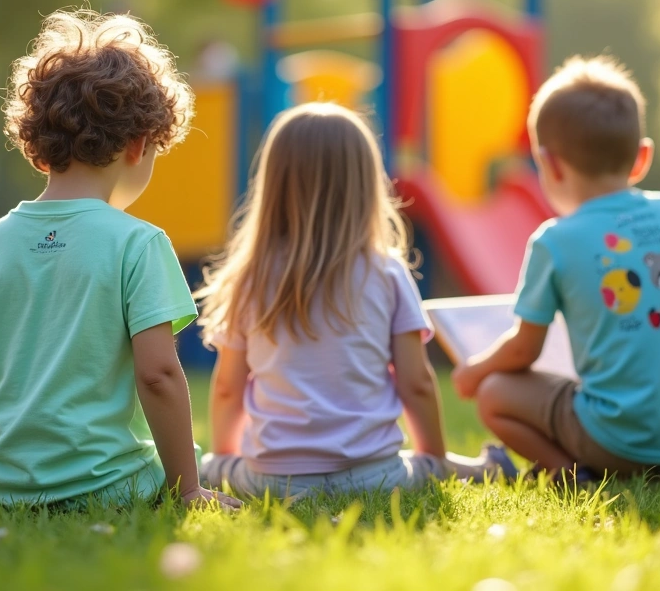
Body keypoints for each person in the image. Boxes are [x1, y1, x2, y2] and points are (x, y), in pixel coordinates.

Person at [0, 9, 240, 509]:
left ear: (37, 151)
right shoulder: (138, 243)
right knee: (184, 454)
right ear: (139, 145)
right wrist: (186, 489)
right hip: (108, 489)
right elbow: (158, 374)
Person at [194, 102, 514, 499]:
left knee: (205, 466)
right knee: (423, 465)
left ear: (273, 185)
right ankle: (473, 468)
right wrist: (433, 457)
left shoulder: (249, 278)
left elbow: (228, 386)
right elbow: (416, 381)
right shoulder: (388, 273)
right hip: (375, 475)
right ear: (366, 185)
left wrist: (228, 456)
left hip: (275, 481)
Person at [452, 56, 660, 481]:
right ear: (641, 159)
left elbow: (523, 350)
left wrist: (472, 370)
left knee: (494, 394)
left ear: (549, 165)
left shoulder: (554, 240)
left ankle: (570, 472)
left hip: (619, 446)